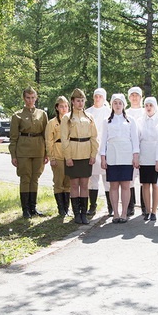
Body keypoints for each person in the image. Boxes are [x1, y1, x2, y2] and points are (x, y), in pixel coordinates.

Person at [60, 88, 99, 225]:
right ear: (72, 101)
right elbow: (64, 139)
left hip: (86, 153)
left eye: (82, 100)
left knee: (84, 183)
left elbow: (94, 137)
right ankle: (76, 213)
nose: (80, 103)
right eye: (78, 101)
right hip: (73, 153)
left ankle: (84, 213)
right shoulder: (67, 118)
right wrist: (68, 157)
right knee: (74, 184)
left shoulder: (89, 117)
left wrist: (93, 154)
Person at [8, 86, 48, 218]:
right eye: (28, 98)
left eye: (32, 97)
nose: (30, 100)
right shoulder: (17, 115)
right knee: (25, 178)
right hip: (23, 149)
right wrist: (13, 155)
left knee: (35, 178)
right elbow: (13, 137)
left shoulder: (42, 114)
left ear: (36, 98)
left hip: (38, 148)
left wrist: (47, 152)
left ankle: (33, 208)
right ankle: (25, 209)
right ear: (24, 99)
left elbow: (46, 134)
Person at [100, 93, 140, 223]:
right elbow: (103, 140)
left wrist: (135, 156)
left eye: (120, 103)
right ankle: (115, 213)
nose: (117, 105)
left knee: (125, 185)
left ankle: (124, 213)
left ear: (124, 105)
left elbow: (134, 139)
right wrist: (103, 157)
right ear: (112, 105)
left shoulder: (130, 120)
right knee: (113, 185)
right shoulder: (106, 121)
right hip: (112, 155)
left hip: (126, 155)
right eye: (115, 103)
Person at [44, 95, 72, 217]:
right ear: (57, 107)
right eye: (61, 106)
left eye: (66, 106)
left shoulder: (72, 120)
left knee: (68, 183)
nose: (64, 108)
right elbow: (49, 141)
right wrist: (52, 157)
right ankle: (61, 209)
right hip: (58, 154)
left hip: (70, 155)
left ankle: (67, 208)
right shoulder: (52, 123)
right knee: (58, 182)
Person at [137, 96, 158, 222]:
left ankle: (154, 211)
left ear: (155, 106)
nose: (148, 108)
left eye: (150, 105)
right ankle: (147, 210)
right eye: (146, 105)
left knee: (155, 184)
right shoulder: (139, 121)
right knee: (145, 184)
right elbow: (137, 139)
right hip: (144, 155)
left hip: (156, 156)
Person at [87, 87, 111, 217]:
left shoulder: (109, 112)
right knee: (92, 179)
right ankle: (93, 206)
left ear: (104, 98)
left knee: (107, 179)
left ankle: (110, 206)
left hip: (105, 148)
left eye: (100, 96)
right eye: (96, 96)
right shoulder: (88, 112)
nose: (97, 99)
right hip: (91, 149)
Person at [127, 86, 145, 217]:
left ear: (141, 97)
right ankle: (130, 205)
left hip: (144, 149)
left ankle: (145, 206)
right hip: (129, 150)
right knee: (130, 179)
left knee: (144, 179)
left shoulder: (146, 111)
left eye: (137, 95)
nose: (134, 97)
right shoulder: (125, 112)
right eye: (132, 95)